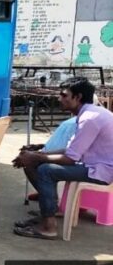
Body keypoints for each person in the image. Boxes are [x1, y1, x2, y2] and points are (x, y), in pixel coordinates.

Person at [12, 77, 113, 240]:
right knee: (32, 164)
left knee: (46, 170)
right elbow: (72, 150)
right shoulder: (89, 114)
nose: (59, 99)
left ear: (78, 97)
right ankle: (49, 211)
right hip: (93, 165)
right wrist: (37, 155)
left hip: (102, 171)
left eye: (64, 95)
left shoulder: (90, 118)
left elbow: (70, 159)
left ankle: (49, 227)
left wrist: (36, 157)